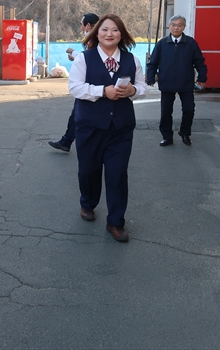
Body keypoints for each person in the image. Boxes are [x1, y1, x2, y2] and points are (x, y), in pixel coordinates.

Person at [68, 14, 148, 243]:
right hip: (89, 127)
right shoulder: (84, 59)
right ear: (97, 33)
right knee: (88, 171)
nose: (109, 34)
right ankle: (87, 203)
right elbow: (75, 87)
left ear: (121, 34)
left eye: (114, 30)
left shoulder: (132, 60)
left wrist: (133, 91)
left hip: (121, 128)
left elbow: (143, 86)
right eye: (104, 30)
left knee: (117, 174)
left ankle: (115, 221)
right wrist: (103, 91)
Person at [145, 15, 208, 147]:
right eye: (173, 25)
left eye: (179, 25)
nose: (176, 28)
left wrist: (202, 78)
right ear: (169, 26)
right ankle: (167, 136)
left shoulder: (191, 43)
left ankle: (185, 133)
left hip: (186, 83)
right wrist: (150, 78)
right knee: (166, 112)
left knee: (189, 109)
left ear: (184, 27)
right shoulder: (162, 44)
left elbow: (199, 62)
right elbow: (153, 63)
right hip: (167, 83)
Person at [48, 13, 99, 152]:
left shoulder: (95, 39)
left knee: (80, 115)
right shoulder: (92, 39)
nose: (81, 28)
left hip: (91, 85)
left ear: (88, 25)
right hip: (88, 84)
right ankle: (66, 141)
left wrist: (74, 53)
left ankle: (80, 143)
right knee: (76, 114)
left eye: (82, 24)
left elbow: (89, 59)